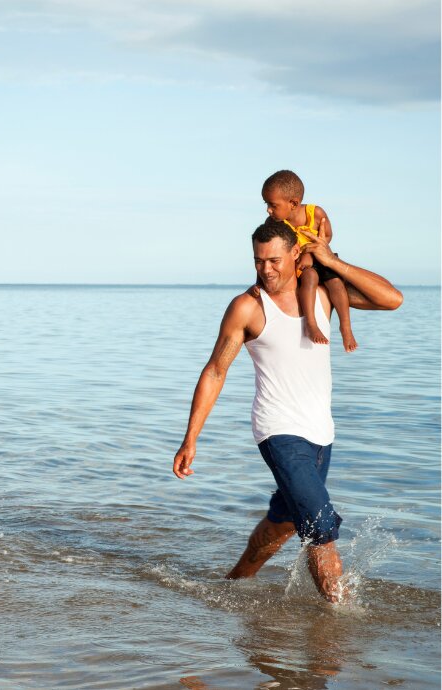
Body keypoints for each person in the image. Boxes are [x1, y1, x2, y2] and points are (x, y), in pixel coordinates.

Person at [172, 218, 402, 602]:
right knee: (320, 523)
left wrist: (334, 262)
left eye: (274, 260)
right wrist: (190, 439)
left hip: (321, 432)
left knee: (283, 523)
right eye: (259, 261)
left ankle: (232, 584)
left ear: (297, 254)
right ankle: (336, 626)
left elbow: (391, 299)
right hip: (277, 430)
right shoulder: (248, 307)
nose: (266, 269)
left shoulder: (325, 293)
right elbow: (215, 371)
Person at [261, 169, 358, 351]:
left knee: (336, 283)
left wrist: (312, 253)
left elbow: (327, 235)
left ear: (293, 203)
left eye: (273, 205)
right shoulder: (276, 224)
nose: (268, 209)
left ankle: (346, 327)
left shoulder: (316, 213)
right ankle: (311, 324)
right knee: (310, 278)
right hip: (304, 267)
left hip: (320, 257)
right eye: (266, 204)